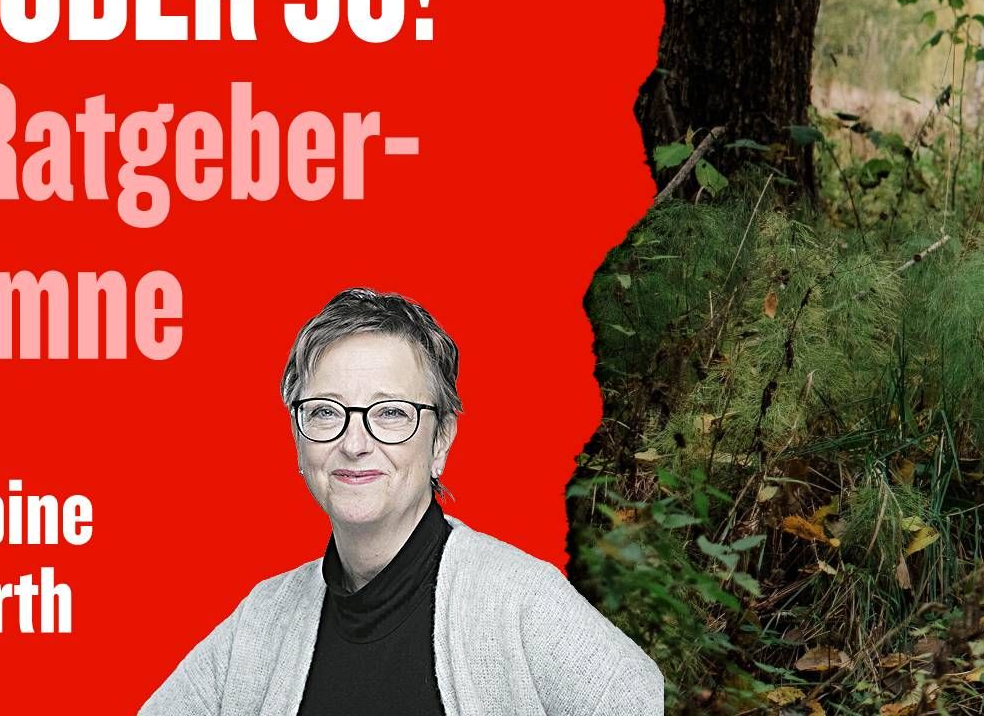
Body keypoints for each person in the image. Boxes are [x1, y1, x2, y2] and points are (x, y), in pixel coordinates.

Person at [144, 289, 662, 715]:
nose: (354, 443)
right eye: (325, 411)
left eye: (391, 413)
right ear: (298, 437)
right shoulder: (263, 619)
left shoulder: (519, 600)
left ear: (441, 440)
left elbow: (635, 696)